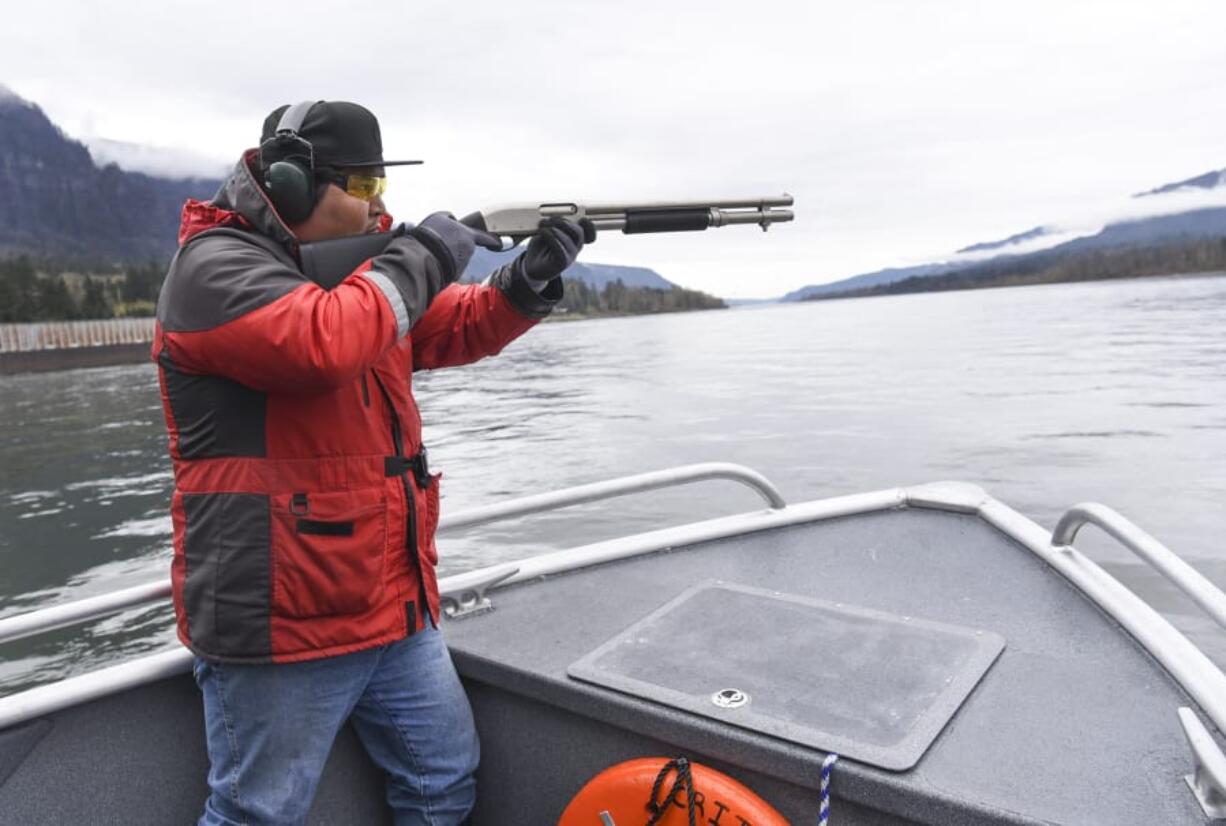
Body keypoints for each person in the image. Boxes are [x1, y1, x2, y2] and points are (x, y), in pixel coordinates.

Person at [152, 99, 592, 826]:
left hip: (391, 602)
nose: (379, 202)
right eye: (361, 186)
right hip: (280, 617)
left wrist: (524, 284)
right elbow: (324, 342)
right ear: (290, 185)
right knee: (256, 813)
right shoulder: (213, 269)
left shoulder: (365, 280)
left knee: (441, 782)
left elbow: (447, 326)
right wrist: (423, 254)